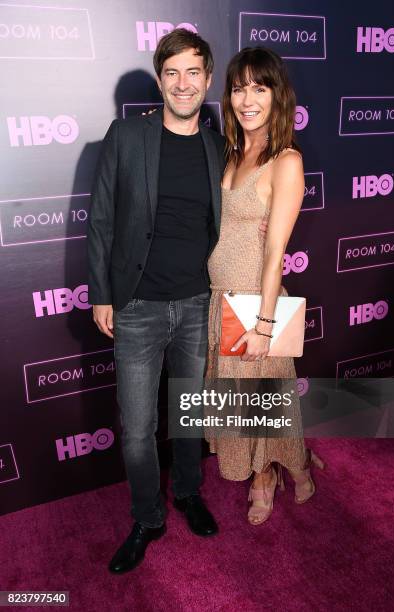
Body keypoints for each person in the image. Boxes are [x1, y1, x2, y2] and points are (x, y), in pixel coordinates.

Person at [87, 29, 225, 574]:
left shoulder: (218, 146)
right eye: (172, 73)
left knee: (189, 413)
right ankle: (147, 517)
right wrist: (102, 295)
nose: (183, 83)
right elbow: (99, 221)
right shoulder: (127, 136)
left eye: (194, 72)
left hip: (197, 304)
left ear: (208, 80)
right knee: (139, 428)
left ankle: (189, 492)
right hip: (137, 308)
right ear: (159, 80)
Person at [206, 47, 324, 525]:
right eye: (238, 88)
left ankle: (273, 475)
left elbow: (275, 251)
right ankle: (292, 467)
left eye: (259, 87)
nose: (247, 99)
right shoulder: (232, 152)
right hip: (220, 301)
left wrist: (264, 324)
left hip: (256, 306)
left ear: (278, 95)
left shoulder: (286, 160)